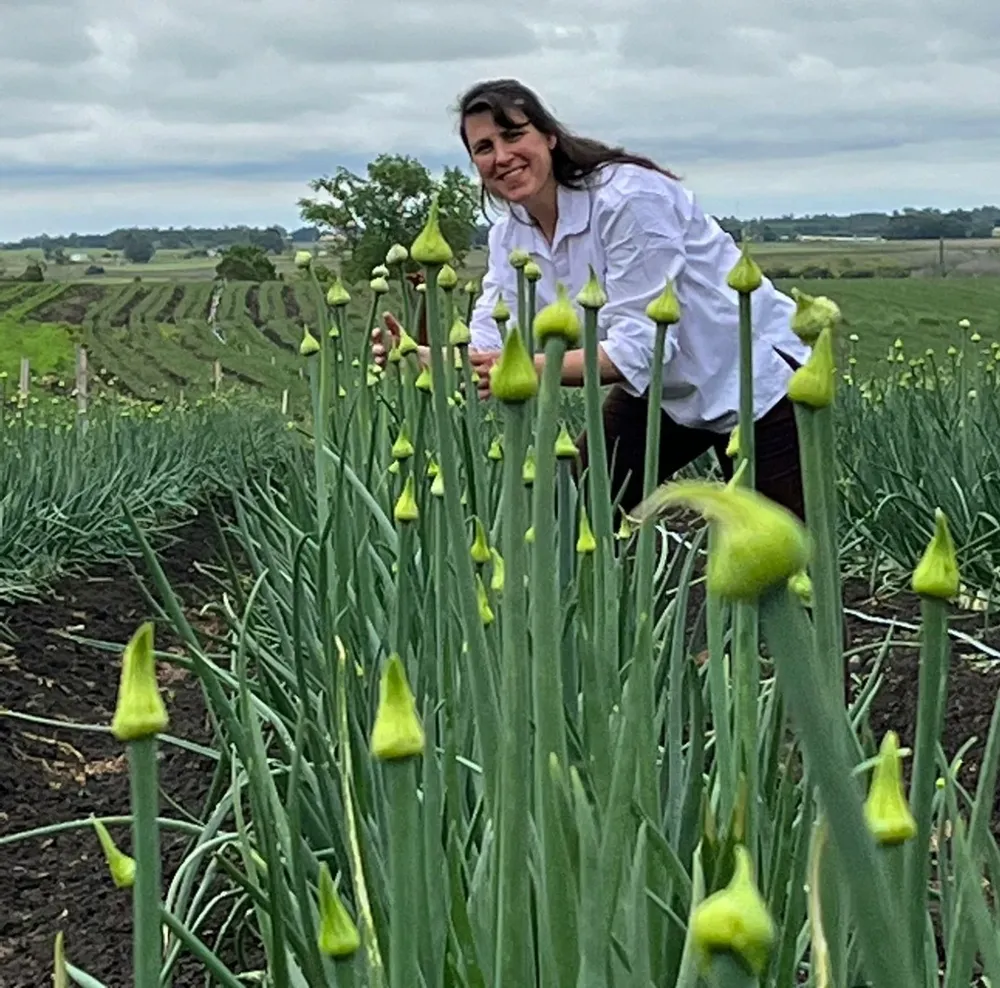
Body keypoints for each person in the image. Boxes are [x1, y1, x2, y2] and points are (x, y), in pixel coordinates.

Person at [374, 78, 811, 522]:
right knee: (567, 514)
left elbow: (644, 347)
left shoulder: (628, 199)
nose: (501, 157)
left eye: (513, 135)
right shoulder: (511, 233)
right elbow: (493, 340)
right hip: (662, 393)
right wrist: (424, 356)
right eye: (484, 148)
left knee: (781, 565)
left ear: (549, 136)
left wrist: (527, 370)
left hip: (758, 381)